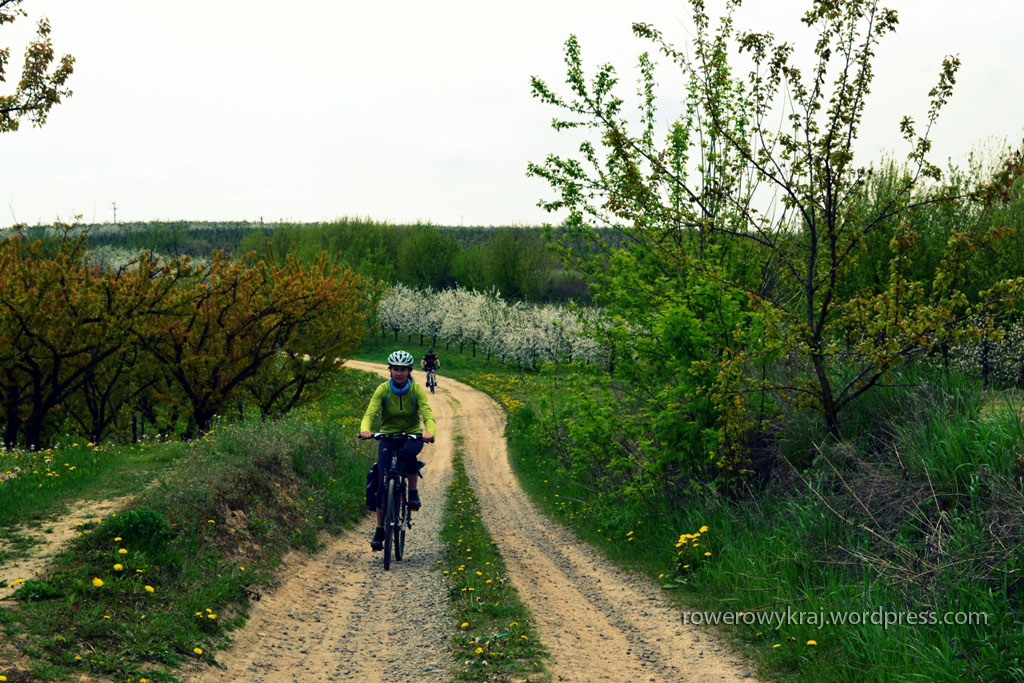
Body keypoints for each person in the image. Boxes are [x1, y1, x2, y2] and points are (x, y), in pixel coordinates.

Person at [359, 350, 436, 551]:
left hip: (412, 434)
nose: (399, 373)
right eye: (395, 369)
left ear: (409, 371)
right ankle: (379, 530)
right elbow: (370, 412)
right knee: (381, 482)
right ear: (390, 371)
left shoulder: (417, 390)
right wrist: (365, 430)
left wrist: (429, 432)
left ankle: (413, 493)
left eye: (403, 370)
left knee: (410, 453)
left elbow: (427, 413)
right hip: (388, 435)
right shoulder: (383, 390)